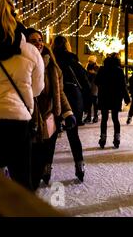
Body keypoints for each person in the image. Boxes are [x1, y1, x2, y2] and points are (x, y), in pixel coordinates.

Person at [0, 0, 44, 190]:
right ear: (14, 17)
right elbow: (37, 89)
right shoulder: (30, 51)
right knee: (22, 183)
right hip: (17, 122)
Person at [25, 28, 76, 188]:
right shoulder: (23, 63)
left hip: (49, 119)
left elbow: (59, 92)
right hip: (30, 119)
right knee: (30, 161)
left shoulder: (52, 66)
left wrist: (68, 113)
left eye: (40, 39)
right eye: (33, 41)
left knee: (42, 157)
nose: (38, 43)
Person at [51, 36, 88, 182]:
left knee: (52, 136)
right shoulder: (73, 59)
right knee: (73, 135)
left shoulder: (50, 59)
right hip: (73, 98)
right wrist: (86, 102)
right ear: (67, 45)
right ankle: (79, 166)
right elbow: (84, 81)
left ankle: (46, 167)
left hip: (55, 98)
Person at [95, 53, 130, 149]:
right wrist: (127, 97)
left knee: (104, 119)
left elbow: (96, 82)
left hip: (104, 96)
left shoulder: (102, 69)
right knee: (115, 118)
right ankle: (117, 138)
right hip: (116, 97)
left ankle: (103, 138)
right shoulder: (119, 70)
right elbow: (123, 86)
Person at [84, 55, 99, 123]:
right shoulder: (86, 67)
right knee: (89, 103)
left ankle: (95, 116)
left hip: (95, 87)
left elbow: (99, 76)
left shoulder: (97, 67)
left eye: (91, 61)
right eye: (89, 61)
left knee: (95, 103)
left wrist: (94, 73)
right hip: (88, 86)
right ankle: (89, 116)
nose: (89, 62)